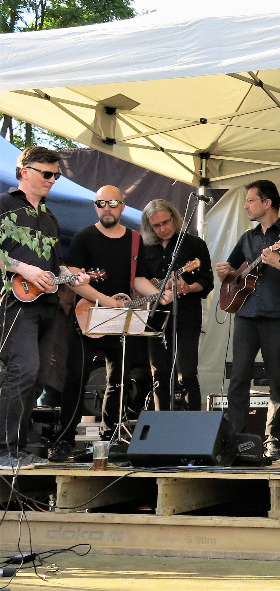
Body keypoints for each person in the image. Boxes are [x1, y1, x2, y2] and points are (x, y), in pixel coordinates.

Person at [52, 185, 170, 461]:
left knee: (119, 380)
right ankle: (64, 440)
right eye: (101, 203)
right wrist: (106, 301)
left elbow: (137, 279)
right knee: (76, 378)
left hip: (120, 319)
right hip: (87, 317)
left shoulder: (134, 239)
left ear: (122, 206)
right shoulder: (84, 237)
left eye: (112, 203)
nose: (107, 208)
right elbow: (73, 279)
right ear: (95, 207)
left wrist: (158, 294)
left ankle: (111, 436)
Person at [0, 147, 90, 469]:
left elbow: (55, 265)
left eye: (56, 175)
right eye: (47, 174)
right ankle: (4, 449)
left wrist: (72, 277)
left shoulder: (50, 217)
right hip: (15, 302)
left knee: (38, 377)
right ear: (25, 171)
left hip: (47, 305)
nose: (52, 180)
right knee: (22, 371)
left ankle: (19, 447)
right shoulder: (5, 205)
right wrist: (22, 268)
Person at [215, 180, 280, 459]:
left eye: (250, 200)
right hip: (245, 315)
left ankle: (276, 439)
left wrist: (278, 262)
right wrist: (225, 274)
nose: (245, 205)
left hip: (277, 316)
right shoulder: (247, 238)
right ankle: (237, 437)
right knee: (238, 377)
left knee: (278, 380)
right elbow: (232, 272)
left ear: (267, 203)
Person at [139, 199, 213, 412]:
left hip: (186, 314)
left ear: (174, 218)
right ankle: (161, 421)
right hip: (155, 316)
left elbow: (207, 281)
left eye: (166, 222)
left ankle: (191, 422)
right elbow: (138, 280)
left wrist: (188, 288)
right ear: (149, 226)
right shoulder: (144, 247)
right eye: (156, 225)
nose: (163, 229)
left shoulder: (194, 244)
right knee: (159, 374)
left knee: (187, 372)